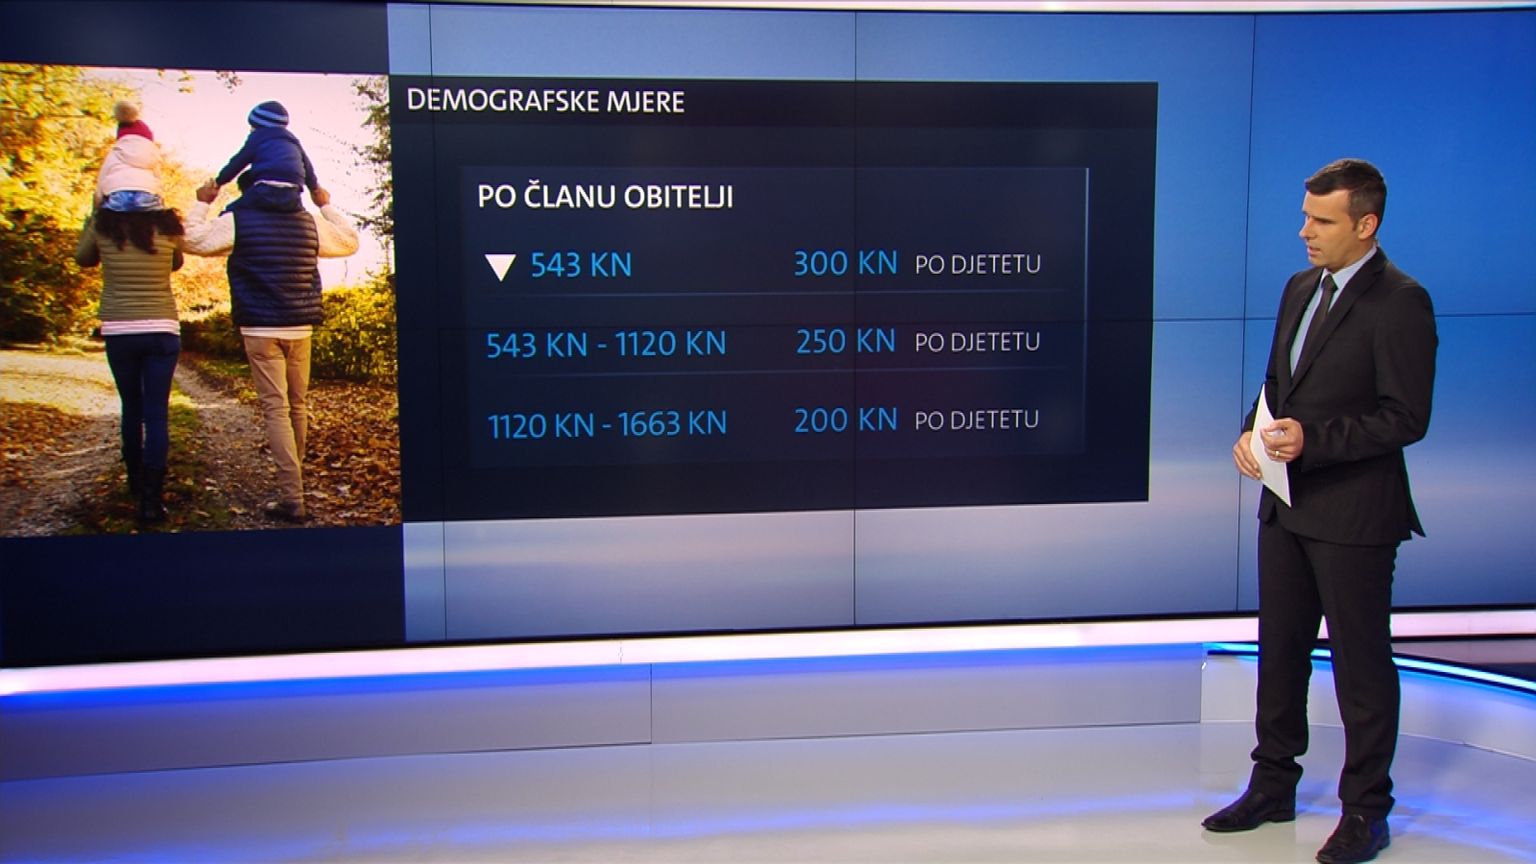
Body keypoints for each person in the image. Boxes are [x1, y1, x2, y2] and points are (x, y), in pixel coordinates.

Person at [1205, 159, 1436, 864]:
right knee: (1280, 655)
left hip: (1356, 516)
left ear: (1366, 224)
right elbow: (1278, 382)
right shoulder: (1300, 287)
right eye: (1305, 216)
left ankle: (1366, 810)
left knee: (1360, 667)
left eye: (1322, 220)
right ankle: (1273, 785)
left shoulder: (1401, 301)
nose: (1304, 231)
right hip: (1285, 506)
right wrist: (1252, 431)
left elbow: (1405, 417)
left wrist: (1313, 441)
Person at [182, 172, 358, 522]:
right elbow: (349, 242)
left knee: (277, 409)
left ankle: (292, 497)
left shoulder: (238, 220)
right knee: (297, 405)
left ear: (249, 191)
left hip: (260, 327)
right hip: (300, 327)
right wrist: (325, 205)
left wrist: (203, 201)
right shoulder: (308, 221)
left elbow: (191, 239)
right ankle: (295, 483)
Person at [74, 199, 186, 523]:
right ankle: (151, 500)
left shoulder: (104, 225)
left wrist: (94, 214)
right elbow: (176, 263)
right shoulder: (167, 226)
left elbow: (82, 258)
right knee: (157, 413)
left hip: (120, 330)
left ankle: (135, 483)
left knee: (131, 407)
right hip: (161, 328)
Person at [211, 101, 324, 212]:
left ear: (258, 126)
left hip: (265, 187)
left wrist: (219, 182)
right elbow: (308, 168)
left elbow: (238, 162)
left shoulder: (258, 137)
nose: (250, 130)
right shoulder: (293, 141)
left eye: (252, 126)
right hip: (293, 191)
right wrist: (314, 188)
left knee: (234, 210)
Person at [94, 100, 164, 213]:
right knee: (154, 215)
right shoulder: (153, 155)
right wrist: (160, 197)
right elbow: (158, 179)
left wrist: (98, 201)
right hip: (146, 193)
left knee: (107, 216)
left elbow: (102, 177)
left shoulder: (115, 152)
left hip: (118, 194)